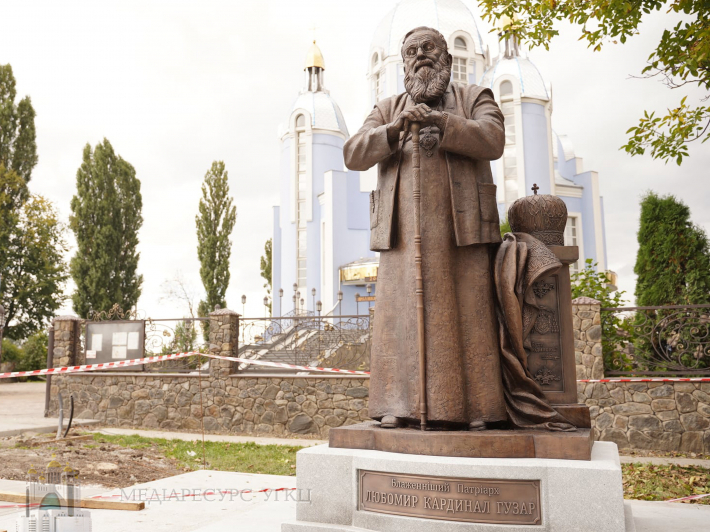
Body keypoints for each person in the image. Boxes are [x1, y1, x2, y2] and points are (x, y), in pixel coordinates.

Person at [344, 26, 574, 432]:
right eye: (411, 51)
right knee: (399, 320)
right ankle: (395, 403)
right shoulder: (388, 108)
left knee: (470, 317)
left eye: (428, 48)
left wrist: (443, 122)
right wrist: (394, 131)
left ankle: (479, 407)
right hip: (401, 237)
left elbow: (493, 139)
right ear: (404, 64)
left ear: (447, 58)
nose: (420, 55)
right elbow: (353, 153)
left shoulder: (473, 97)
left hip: (462, 232)